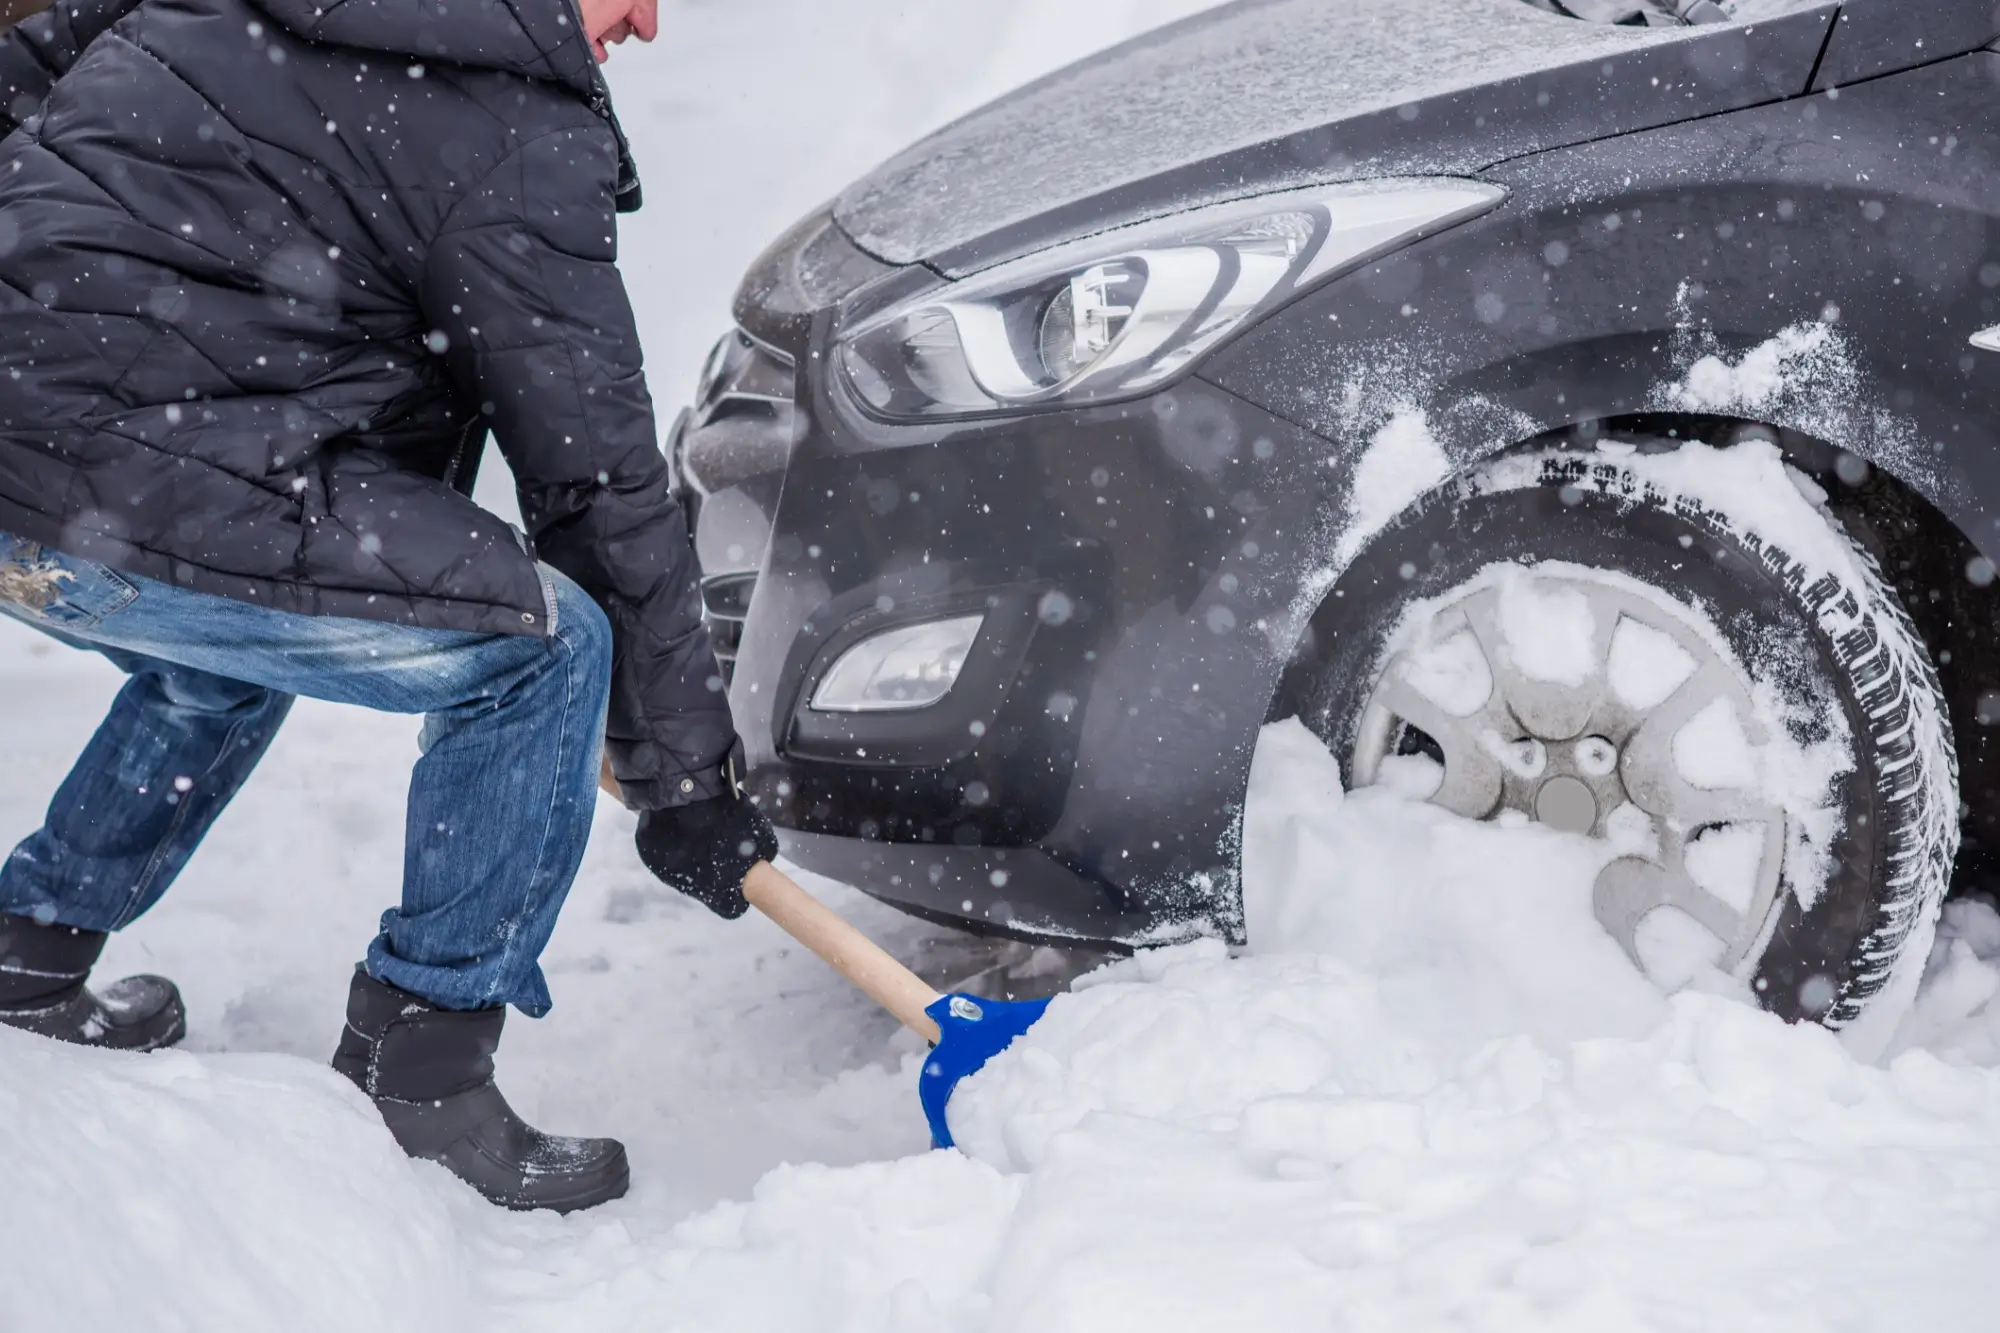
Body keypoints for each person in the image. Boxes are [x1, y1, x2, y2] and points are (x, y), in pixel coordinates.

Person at [0, 0, 777, 1214]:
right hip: (126, 499)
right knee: (545, 648)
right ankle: (421, 1072)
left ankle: (29, 950)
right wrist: (683, 780)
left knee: (232, 632)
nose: (648, 22)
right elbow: (594, 480)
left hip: (39, 484)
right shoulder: (516, 128)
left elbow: (21, 70)